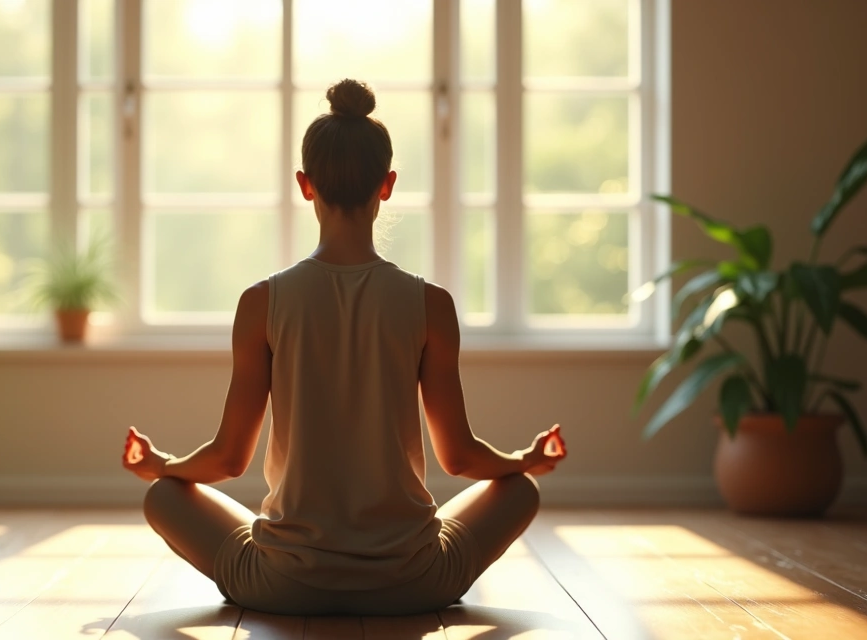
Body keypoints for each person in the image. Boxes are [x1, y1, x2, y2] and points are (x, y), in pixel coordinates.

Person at [121, 78, 567, 616]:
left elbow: (228, 460)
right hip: (417, 580)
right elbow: (461, 457)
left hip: (282, 583)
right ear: (388, 184)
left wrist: (161, 465)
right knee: (520, 489)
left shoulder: (262, 302)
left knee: (163, 496)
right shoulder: (431, 304)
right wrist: (526, 460)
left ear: (305, 184)